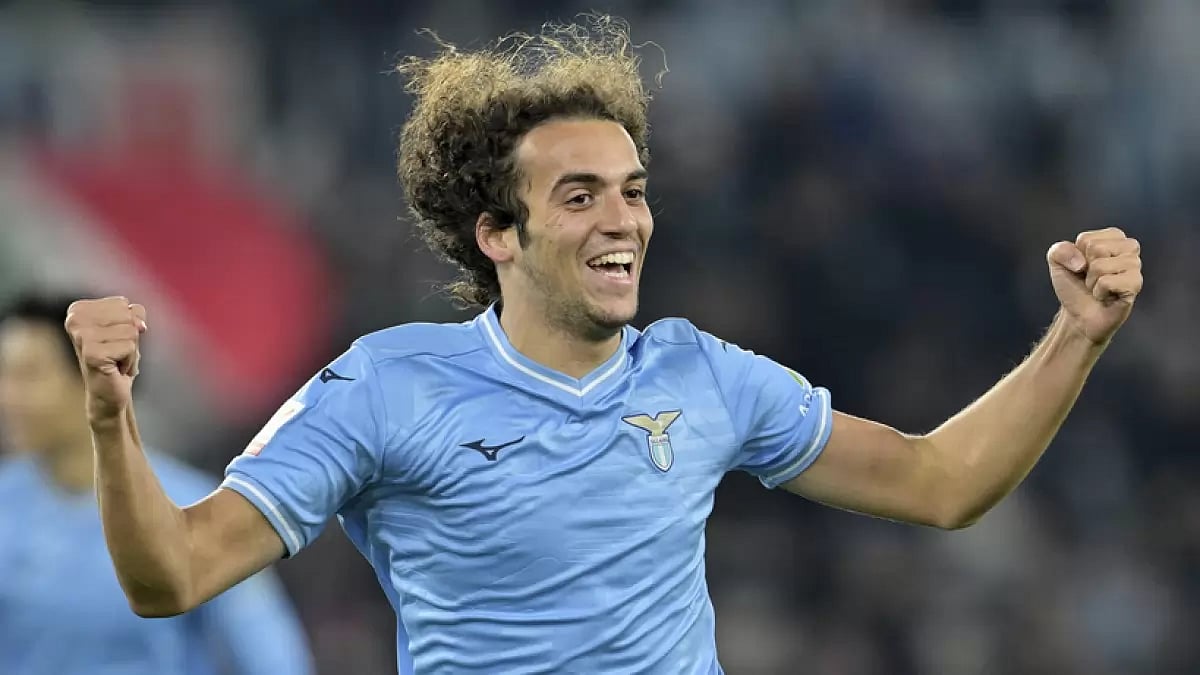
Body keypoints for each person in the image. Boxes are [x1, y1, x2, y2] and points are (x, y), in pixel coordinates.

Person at [62, 16, 1144, 675]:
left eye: (632, 191)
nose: (622, 220)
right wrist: (112, 418)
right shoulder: (387, 385)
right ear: (498, 233)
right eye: (579, 196)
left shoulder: (702, 373)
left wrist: (1077, 336)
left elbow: (941, 482)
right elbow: (176, 574)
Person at [0, 292, 316, 675]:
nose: (7, 397)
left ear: (90, 380)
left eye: (28, 376)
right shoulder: (7, 505)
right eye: (4, 374)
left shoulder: (195, 506)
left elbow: (271, 656)